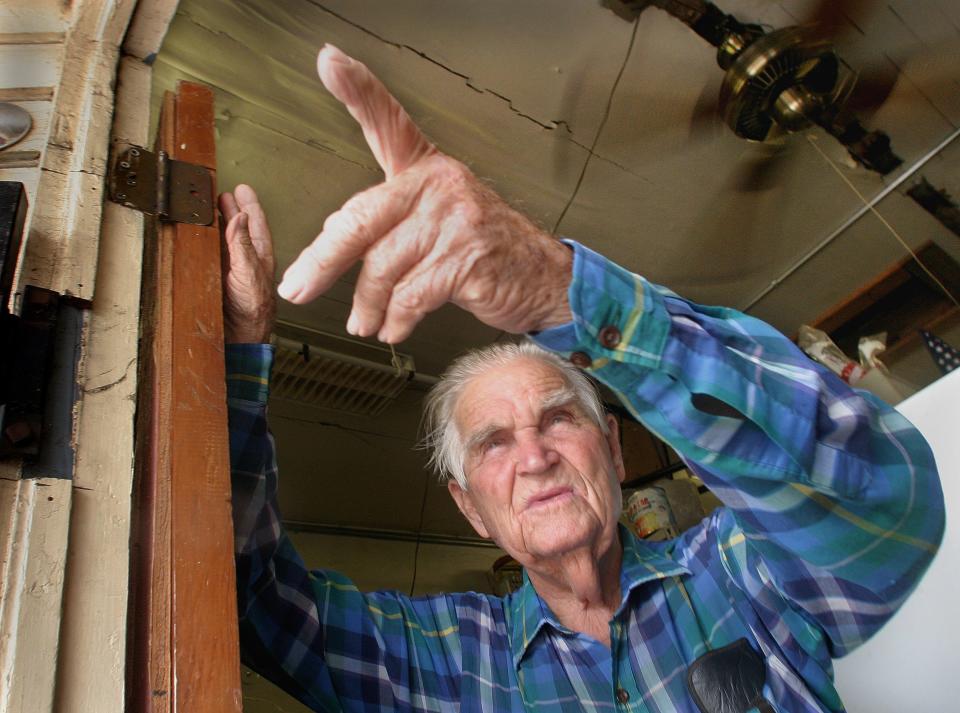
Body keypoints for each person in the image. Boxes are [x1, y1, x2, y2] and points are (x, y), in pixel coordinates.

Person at [221, 45, 944, 712]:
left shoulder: (740, 568)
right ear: (471, 510)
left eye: (560, 418)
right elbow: (246, 598)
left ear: (617, 452)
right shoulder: (442, 660)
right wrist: (243, 352)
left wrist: (559, 292)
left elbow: (886, 507)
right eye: (494, 443)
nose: (535, 456)